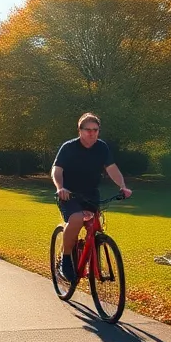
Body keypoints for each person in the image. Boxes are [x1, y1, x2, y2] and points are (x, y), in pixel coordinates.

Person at [51, 113, 132, 282]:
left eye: (95, 130)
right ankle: (65, 260)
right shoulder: (69, 147)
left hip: (91, 194)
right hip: (69, 194)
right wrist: (60, 188)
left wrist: (122, 186)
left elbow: (112, 168)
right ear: (79, 130)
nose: (92, 133)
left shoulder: (102, 148)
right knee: (76, 218)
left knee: (95, 226)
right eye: (88, 130)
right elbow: (57, 170)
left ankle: (91, 255)